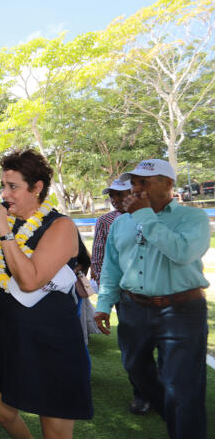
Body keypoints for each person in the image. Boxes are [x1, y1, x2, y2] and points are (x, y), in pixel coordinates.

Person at [94, 159, 210, 439]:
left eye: (144, 182)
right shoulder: (120, 224)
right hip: (134, 309)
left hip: (182, 311)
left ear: (168, 184)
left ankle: (184, 427)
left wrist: (145, 216)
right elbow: (112, 267)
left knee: (182, 386)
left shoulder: (193, 218)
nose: (136, 188)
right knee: (136, 370)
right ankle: (176, 415)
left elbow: (181, 253)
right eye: (134, 182)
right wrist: (103, 305)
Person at [0, 149, 92, 439]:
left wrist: (5, 231)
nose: (5, 194)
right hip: (11, 337)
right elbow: (0, 279)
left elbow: (30, 280)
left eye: (13, 187)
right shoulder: (13, 228)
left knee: (54, 431)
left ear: (37, 188)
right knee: (1, 410)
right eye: (3, 186)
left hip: (50, 343)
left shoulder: (60, 226)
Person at [91, 178, 148, 415]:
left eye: (119, 194)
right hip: (123, 293)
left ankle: (165, 393)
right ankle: (142, 394)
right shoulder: (106, 220)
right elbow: (99, 253)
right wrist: (102, 289)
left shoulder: (152, 216)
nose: (114, 200)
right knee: (132, 348)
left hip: (160, 294)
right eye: (111, 195)